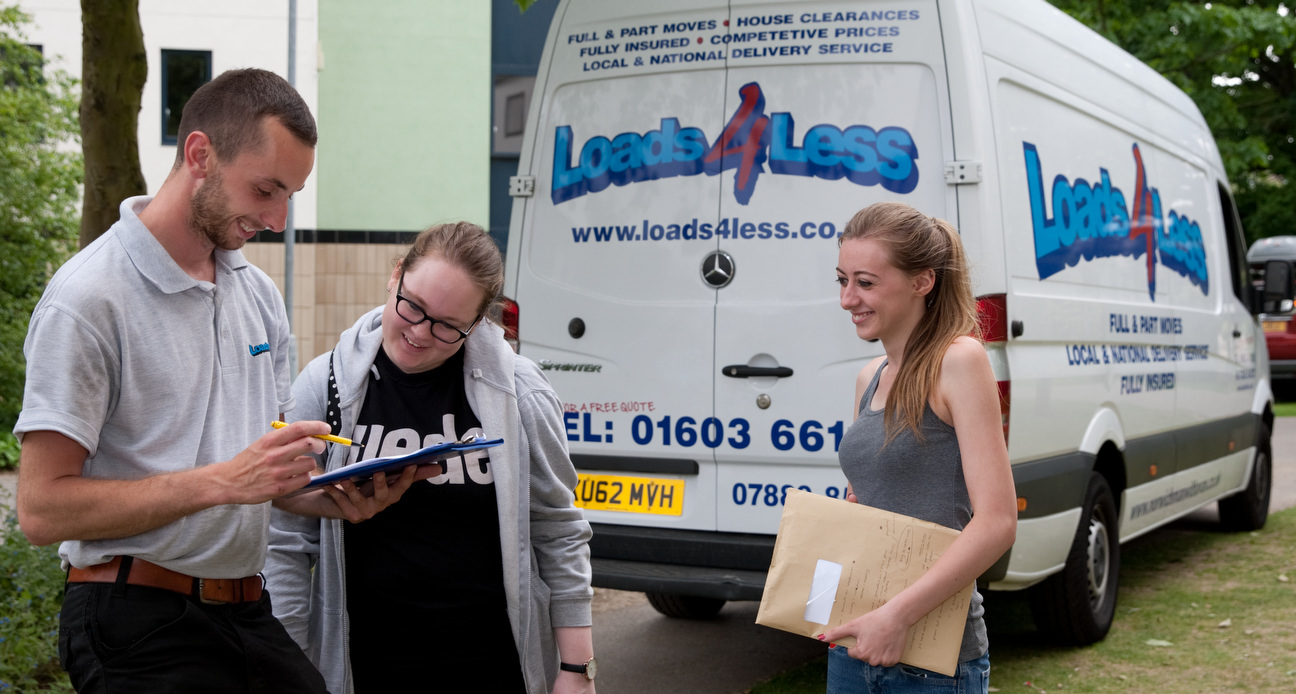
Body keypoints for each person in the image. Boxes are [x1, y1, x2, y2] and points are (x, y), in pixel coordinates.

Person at [13, 68, 403, 694]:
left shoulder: (258, 294)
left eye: (290, 197)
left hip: (245, 610)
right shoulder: (87, 298)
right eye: (265, 190)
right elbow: (39, 508)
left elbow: (259, 479)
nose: (276, 218)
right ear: (200, 154)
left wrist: (332, 497)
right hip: (133, 617)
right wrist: (222, 481)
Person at [265, 221, 597, 694]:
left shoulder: (521, 394)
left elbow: (558, 528)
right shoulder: (325, 385)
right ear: (396, 274)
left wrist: (576, 670)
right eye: (413, 307)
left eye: (446, 326)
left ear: (478, 322)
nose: (420, 333)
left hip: (495, 667)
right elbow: (286, 542)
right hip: (367, 668)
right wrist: (292, 667)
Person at [819, 202, 1017, 693]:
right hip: (855, 641)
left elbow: (998, 521)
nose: (847, 299)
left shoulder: (959, 360)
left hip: (931, 658)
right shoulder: (871, 376)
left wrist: (896, 617)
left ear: (922, 281)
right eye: (842, 280)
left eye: (865, 282)